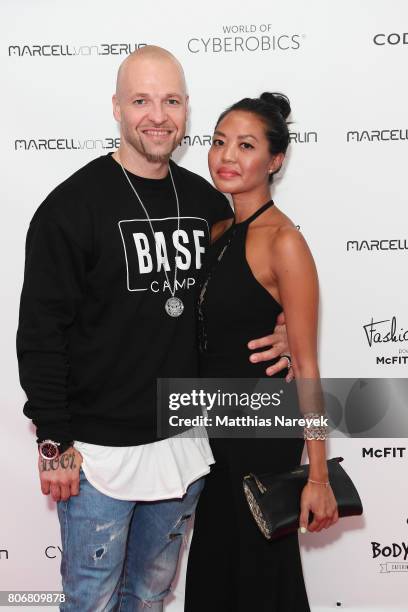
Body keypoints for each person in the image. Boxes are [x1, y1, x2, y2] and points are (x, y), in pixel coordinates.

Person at [16, 47, 291, 612]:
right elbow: (41, 331)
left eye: (170, 101)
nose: (157, 115)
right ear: (116, 107)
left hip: (184, 447)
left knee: (149, 597)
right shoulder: (69, 209)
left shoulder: (207, 202)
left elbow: (241, 288)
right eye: (141, 100)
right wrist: (53, 441)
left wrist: (282, 325)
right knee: (90, 601)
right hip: (96, 454)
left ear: (187, 110)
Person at [184, 93, 339, 612]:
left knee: (261, 582)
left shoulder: (284, 241)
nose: (227, 156)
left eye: (245, 145)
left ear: (275, 161)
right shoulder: (216, 232)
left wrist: (317, 475)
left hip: (262, 436)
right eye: (219, 141)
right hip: (213, 436)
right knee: (212, 577)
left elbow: (308, 366)